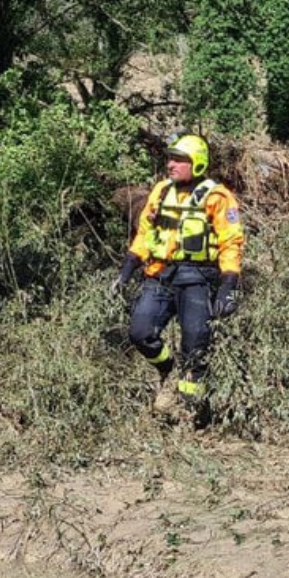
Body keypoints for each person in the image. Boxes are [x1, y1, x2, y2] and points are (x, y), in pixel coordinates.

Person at [112, 134, 245, 418]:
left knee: (195, 344)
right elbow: (145, 234)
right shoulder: (161, 191)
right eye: (169, 158)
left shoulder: (217, 197)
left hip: (198, 278)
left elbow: (231, 243)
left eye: (178, 160)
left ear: (196, 164)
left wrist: (228, 287)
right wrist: (126, 270)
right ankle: (166, 370)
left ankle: (191, 410)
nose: (170, 164)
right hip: (159, 275)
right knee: (140, 332)